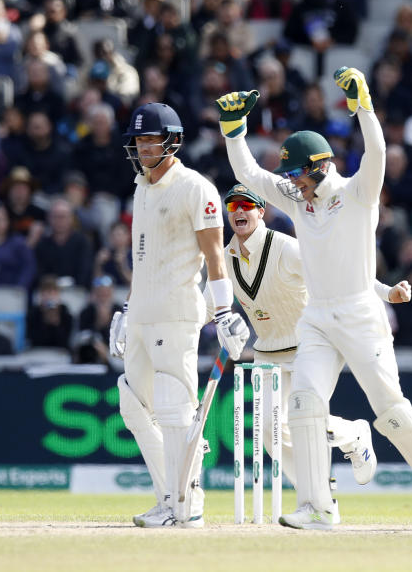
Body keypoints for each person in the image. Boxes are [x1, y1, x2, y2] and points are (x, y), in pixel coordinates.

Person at [214, 69, 412, 530]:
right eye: (289, 176)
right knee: (304, 404)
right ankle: (318, 507)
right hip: (315, 318)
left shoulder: (357, 193)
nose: (291, 183)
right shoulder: (299, 201)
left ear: (319, 165)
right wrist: (234, 132)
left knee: (390, 409)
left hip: (359, 314)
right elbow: (250, 174)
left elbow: (378, 152)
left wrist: (364, 106)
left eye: (296, 174)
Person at [207, 184, 412, 498]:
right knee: (269, 430)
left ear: (261, 212)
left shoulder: (286, 248)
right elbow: (207, 305)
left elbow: (338, 273)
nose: (239, 212)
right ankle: (318, 486)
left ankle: (342, 455)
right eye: (233, 206)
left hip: (310, 345)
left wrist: (386, 292)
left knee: (303, 418)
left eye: (247, 206)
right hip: (268, 350)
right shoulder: (226, 258)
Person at [108, 103, 251, 528]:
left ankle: (188, 502)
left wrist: (223, 312)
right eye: (138, 141)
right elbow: (143, 259)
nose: (143, 148)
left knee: (174, 408)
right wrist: (129, 307)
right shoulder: (141, 188)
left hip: (177, 315)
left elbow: (214, 257)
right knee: (133, 407)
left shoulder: (196, 188)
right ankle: (168, 497)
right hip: (143, 314)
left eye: (151, 139)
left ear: (172, 140)